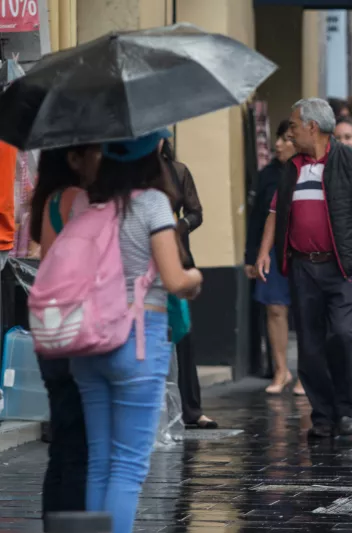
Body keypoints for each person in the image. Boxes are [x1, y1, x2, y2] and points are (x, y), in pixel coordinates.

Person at [69, 130, 203, 533]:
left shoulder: (84, 205)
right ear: (153, 156)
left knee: (99, 461)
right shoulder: (153, 205)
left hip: (89, 338)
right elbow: (176, 280)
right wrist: (194, 276)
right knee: (128, 465)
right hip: (139, 337)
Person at [255, 98, 352, 438]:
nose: (290, 132)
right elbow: (275, 213)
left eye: (295, 126)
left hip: (341, 266)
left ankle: (346, 409)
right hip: (302, 267)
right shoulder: (291, 169)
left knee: (343, 334)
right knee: (311, 345)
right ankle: (323, 415)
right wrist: (264, 252)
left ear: (312, 127)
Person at [29, 145, 101, 517]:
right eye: (93, 153)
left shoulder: (50, 200)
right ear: (74, 159)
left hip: (50, 329)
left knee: (62, 443)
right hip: (77, 329)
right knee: (80, 450)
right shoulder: (79, 199)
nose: (100, 159)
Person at [160, 140, 217, 429]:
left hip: (175, 257)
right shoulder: (127, 174)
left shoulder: (178, 171)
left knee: (182, 335)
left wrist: (179, 227)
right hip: (141, 264)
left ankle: (191, 409)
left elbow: (196, 212)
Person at [245, 120, 304, 396]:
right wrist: (251, 256)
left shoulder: (310, 170)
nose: (278, 144)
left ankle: (306, 373)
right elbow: (257, 218)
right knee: (275, 308)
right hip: (273, 250)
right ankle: (281, 370)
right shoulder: (268, 174)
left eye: (285, 139)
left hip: (305, 249)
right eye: (278, 139)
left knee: (306, 312)